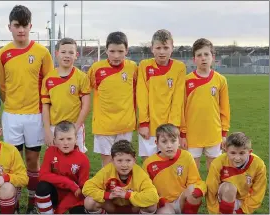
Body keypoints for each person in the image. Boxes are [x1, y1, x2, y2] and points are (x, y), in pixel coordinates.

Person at [0, 5, 54, 212]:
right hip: (11, 115)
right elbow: (1, 86)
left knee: (32, 160)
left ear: (31, 26)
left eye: (24, 25)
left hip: (35, 115)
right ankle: (15, 201)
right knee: (14, 162)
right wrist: (12, 103)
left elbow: (49, 84)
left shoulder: (42, 52)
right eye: (16, 26)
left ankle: (33, 201)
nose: (21, 30)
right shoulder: (2, 54)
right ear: (9, 27)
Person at [87, 31, 138, 166]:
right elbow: (86, 90)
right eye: (112, 51)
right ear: (106, 50)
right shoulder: (96, 69)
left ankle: (123, 187)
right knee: (108, 165)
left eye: (120, 51)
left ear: (126, 50)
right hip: (104, 126)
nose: (116, 55)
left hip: (125, 125)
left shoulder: (133, 68)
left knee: (123, 163)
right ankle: (108, 187)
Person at [180, 38, 230, 170]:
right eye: (199, 55)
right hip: (192, 135)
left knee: (214, 172)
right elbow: (181, 110)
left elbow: (225, 109)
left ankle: (212, 192)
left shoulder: (220, 80)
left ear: (213, 57)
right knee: (192, 173)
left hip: (214, 133)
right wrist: (183, 134)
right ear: (194, 59)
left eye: (206, 54)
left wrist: (224, 134)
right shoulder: (186, 81)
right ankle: (195, 192)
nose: (203, 58)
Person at [136, 29, 186, 161]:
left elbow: (177, 98)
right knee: (149, 164)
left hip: (170, 126)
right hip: (150, 127)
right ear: (152, 48)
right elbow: (142, 96)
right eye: (158, 47)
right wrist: (143, 123)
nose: (162, 51)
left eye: (165, 47)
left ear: (172, 48)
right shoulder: (144, 66)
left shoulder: (179, 67)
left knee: (169, 164)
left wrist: (172, 126)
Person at [41, 38, 91, 153]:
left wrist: (76, 127)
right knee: (55, 160)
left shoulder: (82, 77)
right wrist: (48, 131)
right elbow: (45, 106)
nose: (67, 55)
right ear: (57, 53)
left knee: (78, 158)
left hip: (75, 125)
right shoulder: (48, 79)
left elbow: (86, 106)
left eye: (71, 52)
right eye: (63, 52)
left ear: (76, 55)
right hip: (55, 127)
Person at [142, 124, 206, 214]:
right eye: (164, 142)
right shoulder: (149, 163)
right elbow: (145, 189)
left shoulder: (186, 156)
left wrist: (199, 189)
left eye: (173, 141)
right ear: (156, 143)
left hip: (181, 200)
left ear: (179, 141)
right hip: (163, 203)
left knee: (193, 190)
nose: (169, 145)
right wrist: (158, 200)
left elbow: (195, 181)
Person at [82, 140, 159, 214]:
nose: (124, 165)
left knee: (152, 205)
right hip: (112, 207)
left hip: (133, 207)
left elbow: (153, 196)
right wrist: (108, 195)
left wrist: (127, 195)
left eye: (128, 160)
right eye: (119, 160)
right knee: (89, 202)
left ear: (134, 160)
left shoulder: (140, 173)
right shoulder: (106, 171)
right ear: (112, 161)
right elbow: (87, 188)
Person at [35, 121, 90, 214]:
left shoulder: (83, 159)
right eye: (61, 139)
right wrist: (69, 183)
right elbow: (43, 175)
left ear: (76, 139)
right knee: (42, 187)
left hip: (73, 197)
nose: (65, 143)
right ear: (55, 140)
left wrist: (59, 210)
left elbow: (81, 191)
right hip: (54, 193)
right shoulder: (50, 152)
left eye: (69, 139)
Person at [206, 132, 267, 214]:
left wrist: (242, 211)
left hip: (245, 200)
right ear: (226, 151)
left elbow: (258, 193)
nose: (237, 158)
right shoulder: (218, 163)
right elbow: (211, 190)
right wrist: (215, 212)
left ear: (249, 152)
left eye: (242, 153)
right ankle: (225, 211)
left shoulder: (259, 165)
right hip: (223, 199)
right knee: (229, 188)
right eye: (233, 153)